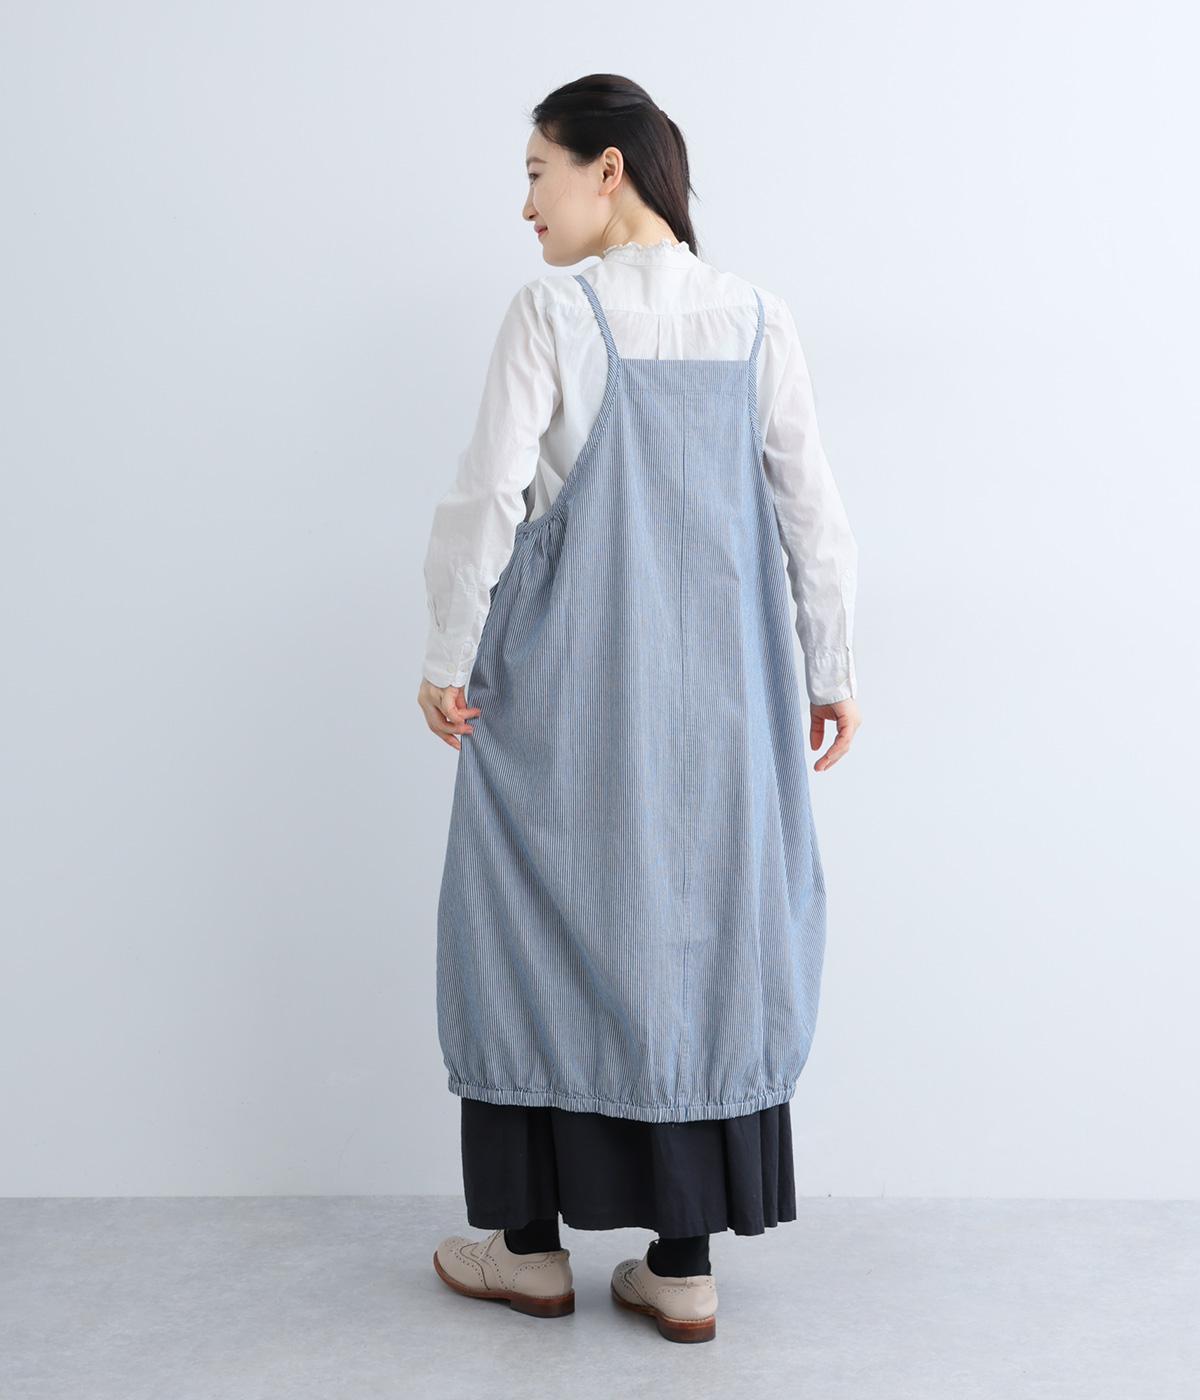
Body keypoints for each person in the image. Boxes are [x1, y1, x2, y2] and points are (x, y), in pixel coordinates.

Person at [418, 73, 861, 1345]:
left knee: (528, 928)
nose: (526, 205)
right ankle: (682, 1264)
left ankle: (529, 1251)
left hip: (564, 697)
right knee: (703, 942)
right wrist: (832, 667)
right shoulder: (758, 317)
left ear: (606, 169)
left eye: (537, 173)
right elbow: (813, 512)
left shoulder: (552, 314)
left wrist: (447, 653)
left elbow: (486, 498)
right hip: (724, 711)